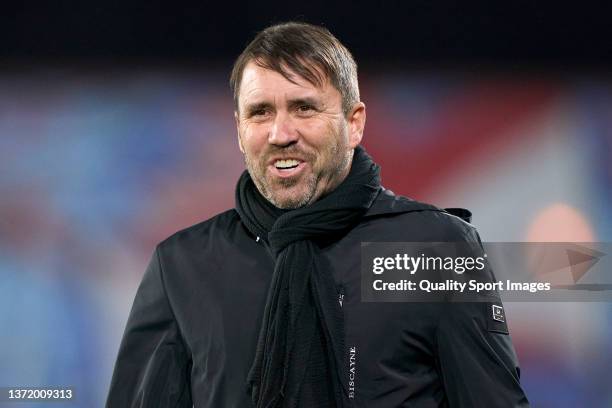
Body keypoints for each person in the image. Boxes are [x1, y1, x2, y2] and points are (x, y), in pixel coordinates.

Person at [106, 22, 530, 407]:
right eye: (261, 112)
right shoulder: (181, 265)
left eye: (304, 108)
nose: (281, 134)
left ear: (354, 121)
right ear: (239, 130)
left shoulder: (436, 246)